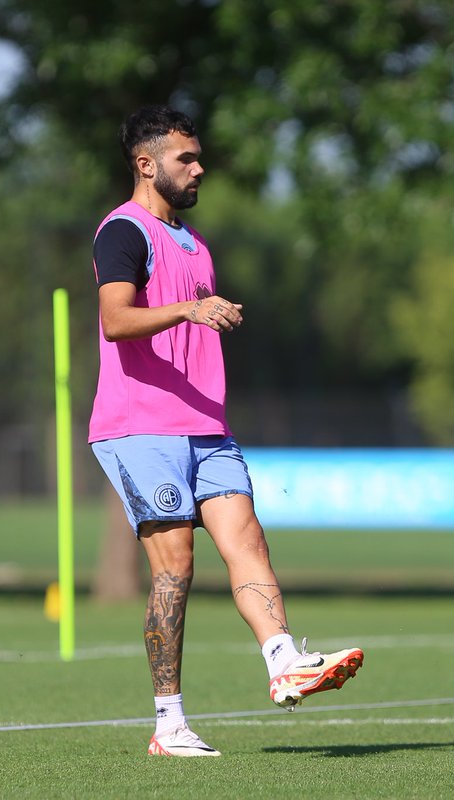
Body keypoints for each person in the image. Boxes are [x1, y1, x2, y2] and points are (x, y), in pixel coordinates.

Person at [88, 105, 364, 757]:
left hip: (206, 426)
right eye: (186, 158)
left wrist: (206, 312)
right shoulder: (122, 232)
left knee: (249, 543)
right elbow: (116, 321)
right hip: (140, 428)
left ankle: (283, 661)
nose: (198, 167)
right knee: (174, 569)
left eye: (198, 156)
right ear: (145, 164)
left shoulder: (194, 241)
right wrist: (191, 308)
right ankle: (169, 724)